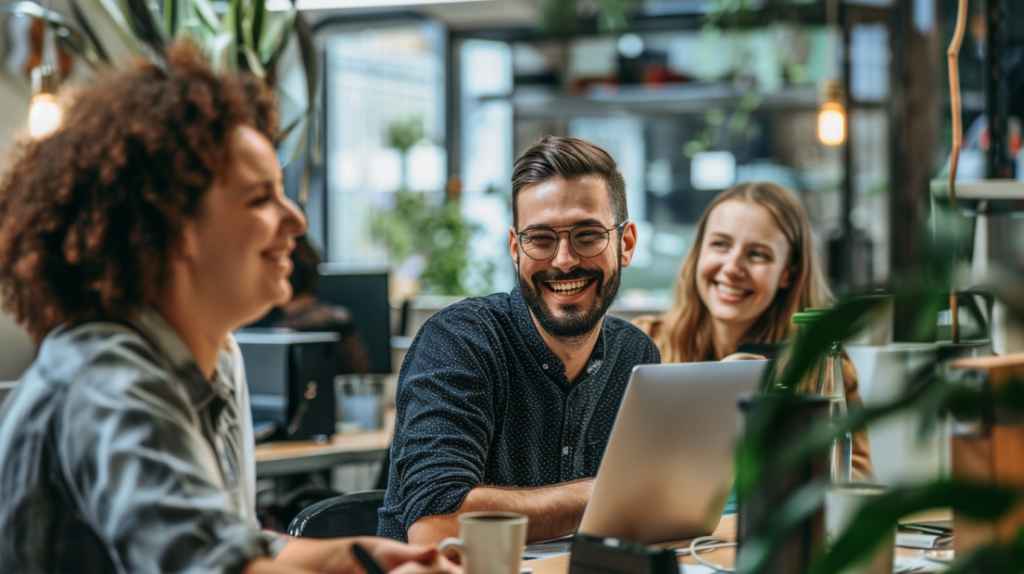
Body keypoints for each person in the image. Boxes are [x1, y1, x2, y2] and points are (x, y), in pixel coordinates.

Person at [0, 41, 457, 574]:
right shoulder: (107, 378)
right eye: (261, 198)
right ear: (175, 224)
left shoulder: (216, 359)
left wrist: (357, 557)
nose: (296, 221)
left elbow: (233, 544)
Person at [378, 136, 660, 545]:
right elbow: (435, 524)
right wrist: (607, 494)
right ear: (516, 249)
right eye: (541, 239)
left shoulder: (635, 356)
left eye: (587, 235)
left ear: (626, 243)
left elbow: (655, 507)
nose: (563, 260)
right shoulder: (459, 342)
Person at [633, 181, 872, 478]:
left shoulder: (822, 364)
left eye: (758, 254)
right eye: (720, 244)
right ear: (698, 253)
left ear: (788, 272)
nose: (733, 267)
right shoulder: (640, 344)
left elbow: (856, 476)